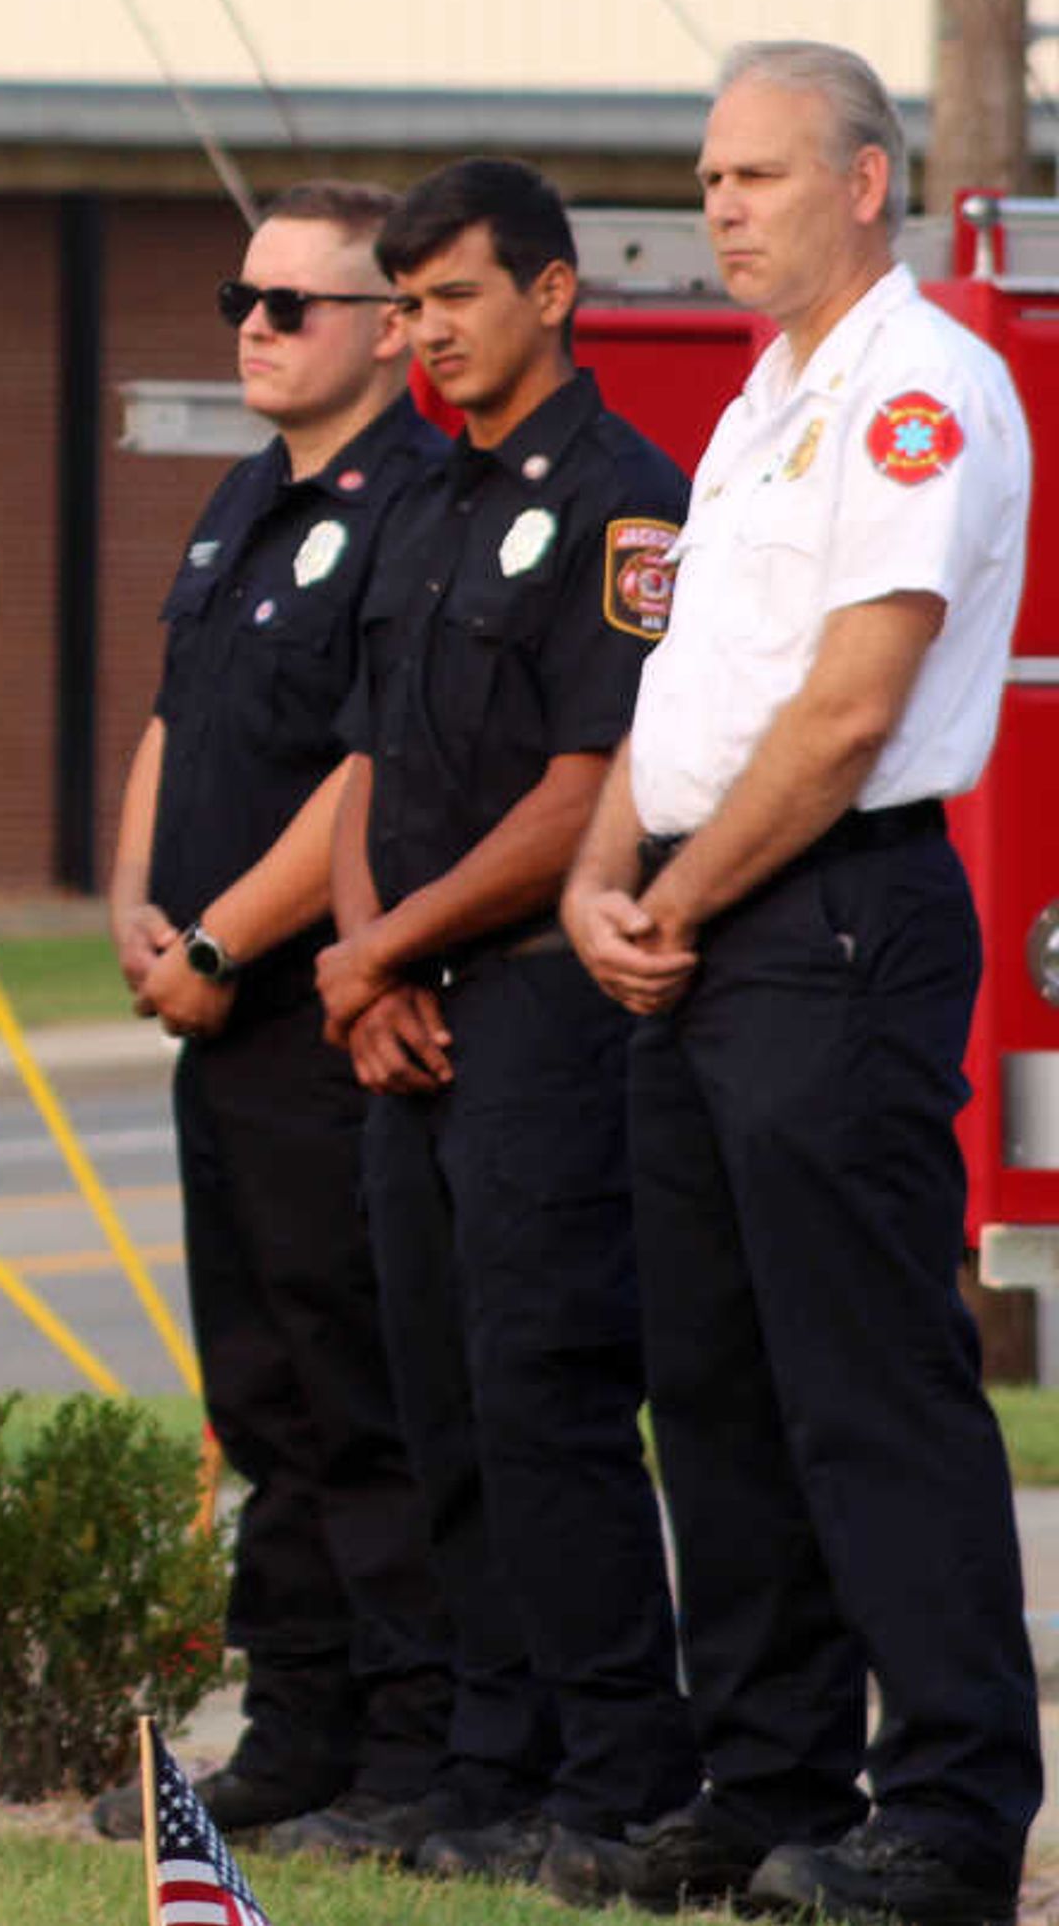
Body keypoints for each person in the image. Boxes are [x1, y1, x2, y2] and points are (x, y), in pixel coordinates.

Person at [559, 41, 1039, 1926]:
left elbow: (848, 711)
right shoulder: (759, 404)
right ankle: (768, 1785)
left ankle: (950, 1808)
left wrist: (670, 901)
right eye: (707, 178)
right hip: (702, 915)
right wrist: (609, 875)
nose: (719, 208)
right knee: (720, 1379)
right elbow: (683, 700)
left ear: (863, 182)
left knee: (871, 1385)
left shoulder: (919, 390)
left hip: (830, 921)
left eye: (755, 174)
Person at [288, 158, 693, 1879]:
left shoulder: (624, 500)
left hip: (542, 1014)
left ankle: (610, 1774)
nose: (425, 332)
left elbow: (586, 784)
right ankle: (489, 1755)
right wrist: (369, 953)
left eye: (453, 296)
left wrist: (392, 953)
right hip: (420, 1017)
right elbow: (378, 760)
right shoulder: (421, 500)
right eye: (407, 303)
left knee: (547, 1395)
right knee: (439, 1396)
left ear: (551, 292)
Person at [87, 184, 454, 1843]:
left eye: (294, 302)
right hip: (211, 1010)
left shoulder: (411, 506)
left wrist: (225, 943)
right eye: (245, 294)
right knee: (258, 1383)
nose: (254, 321)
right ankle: (298, 1721)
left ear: (391, 325)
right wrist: (129, 898)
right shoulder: (245, 493)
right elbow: (178, 710)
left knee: (354, 1373)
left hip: (314, 1012)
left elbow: (366, 773)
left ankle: (405, 1739)